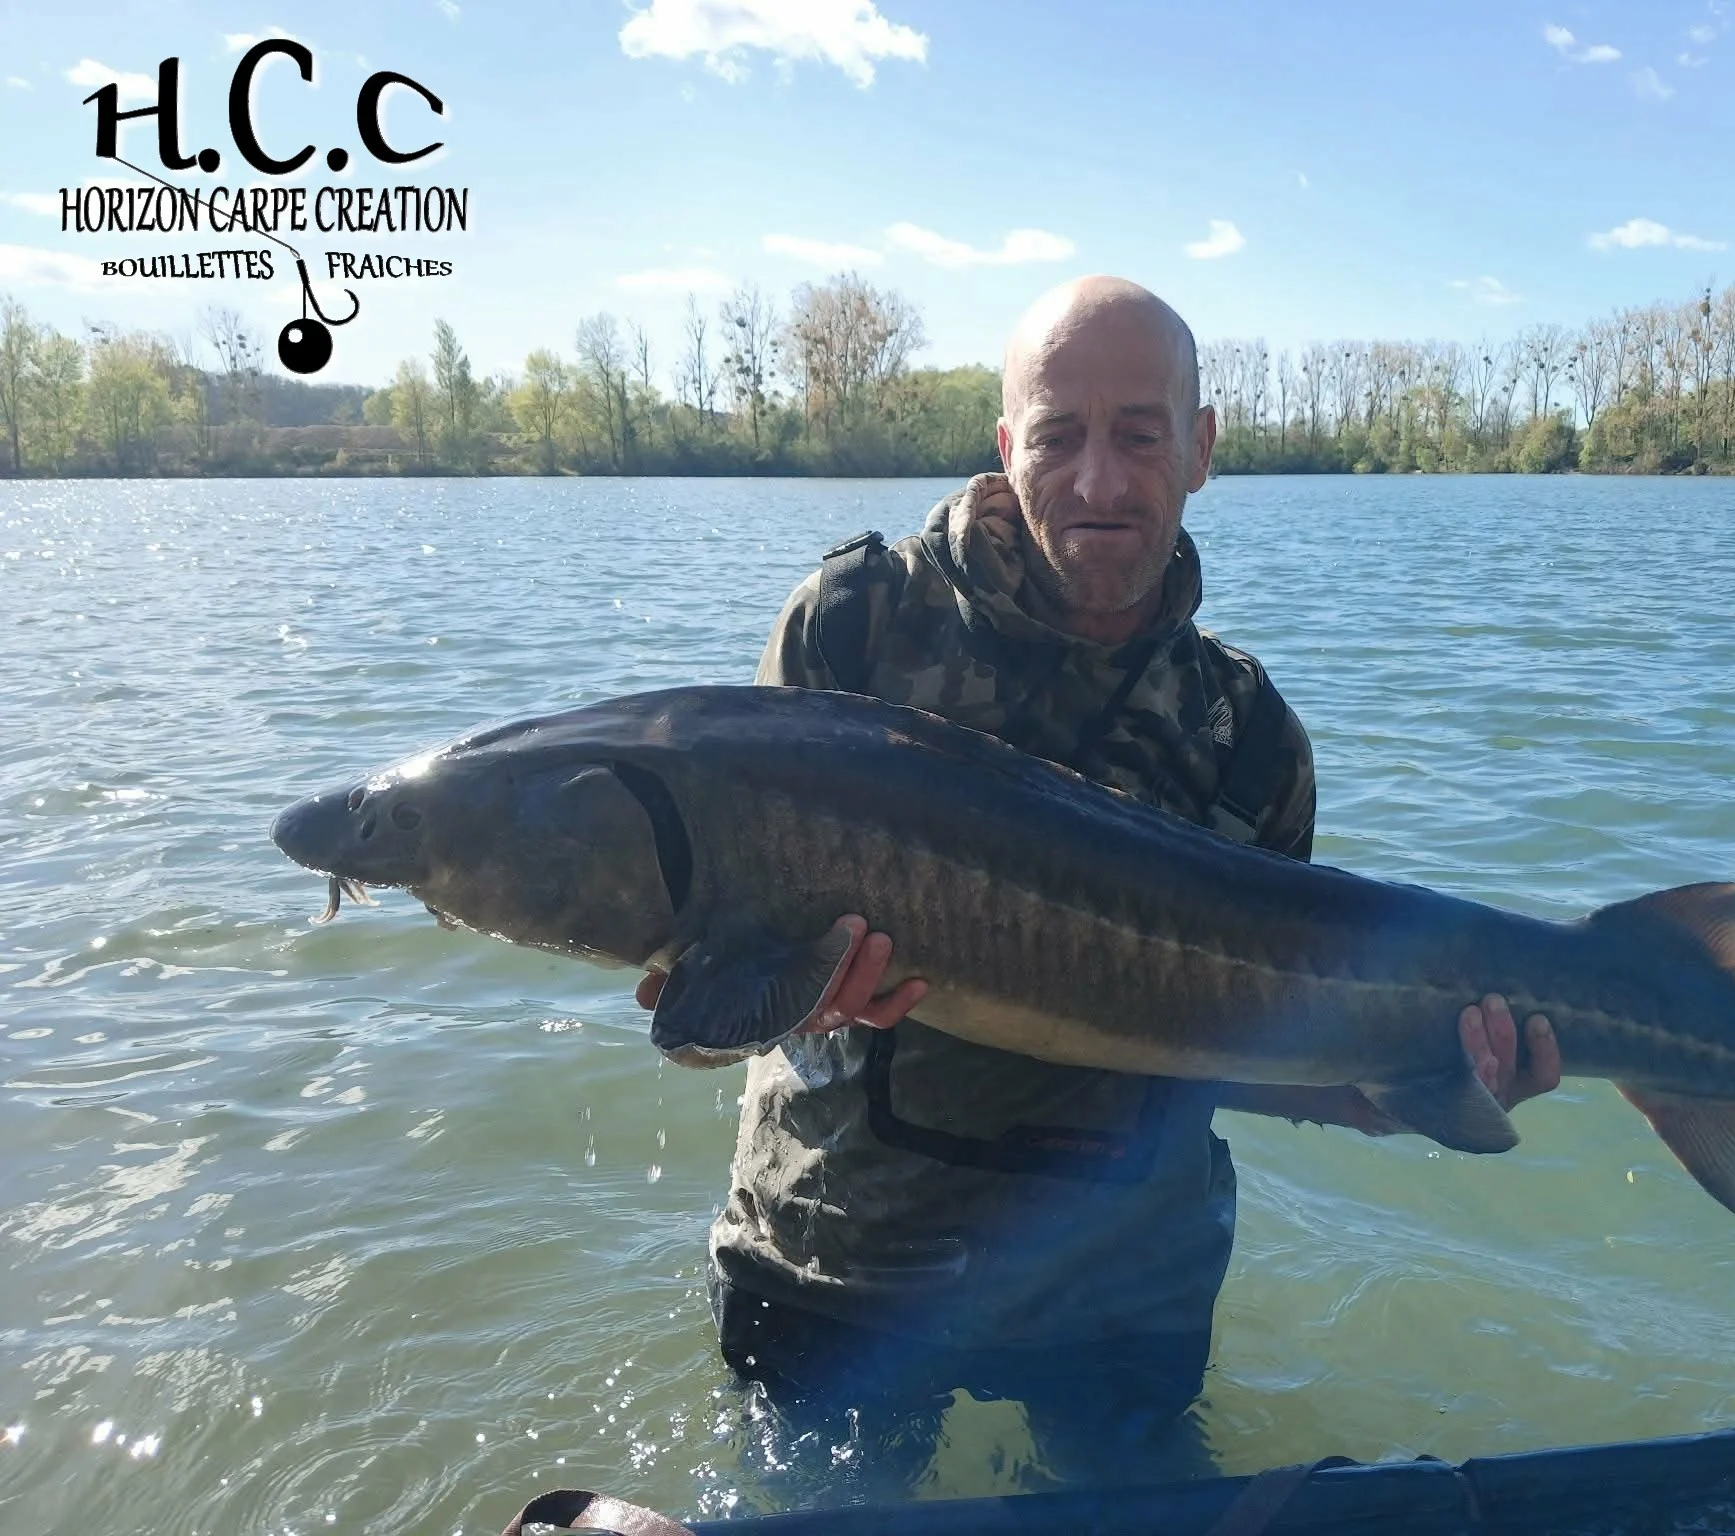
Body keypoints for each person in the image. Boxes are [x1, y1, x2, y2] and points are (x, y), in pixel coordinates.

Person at [635, 275, 1561, 1482]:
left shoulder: (1247, 735)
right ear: (1004, 443)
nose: (1098, 482)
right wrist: (782, 998)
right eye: (1058, 435)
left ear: (1201, 447)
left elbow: (1236, 1043)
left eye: (1138, 434)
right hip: (839, 1261)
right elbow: (708, 971)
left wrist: (1402, 1077)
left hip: (1120, 1292)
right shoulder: (851, 630)